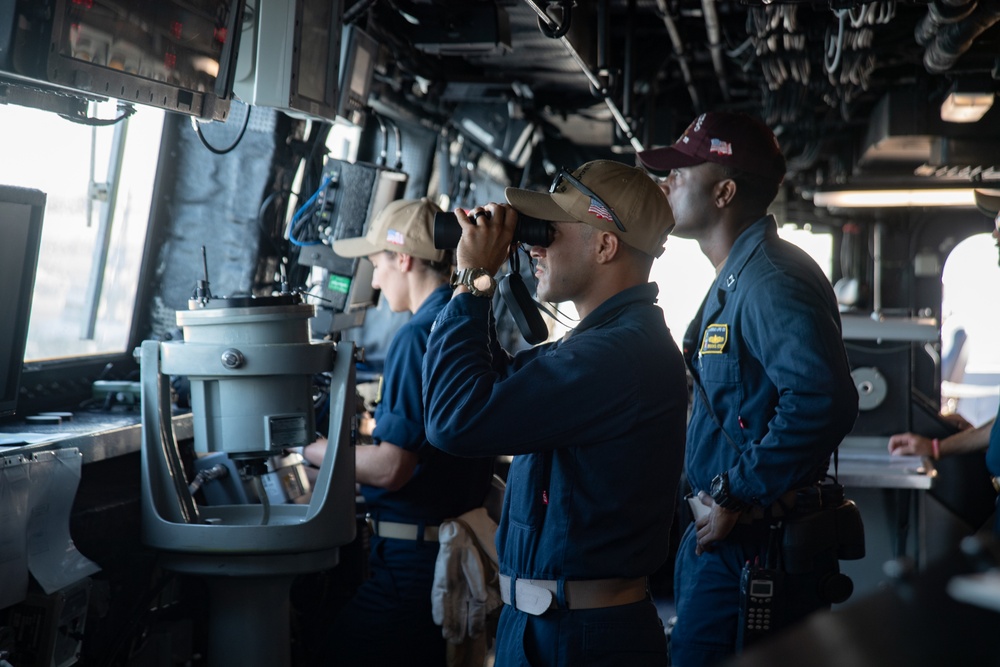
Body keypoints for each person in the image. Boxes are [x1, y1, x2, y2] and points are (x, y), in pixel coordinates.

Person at [421, 159, 688, 666]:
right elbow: (495, 389)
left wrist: (474, 277)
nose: (533, 246)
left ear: (605, 246)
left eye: (549, 231)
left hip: (580, 638)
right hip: (554, 627)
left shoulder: (619, 356)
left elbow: (454, 419)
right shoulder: (602, 345)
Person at [637, 112, 859, 666]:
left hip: (753, 549)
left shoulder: (770, 281)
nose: (668, 182)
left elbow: (821, 400)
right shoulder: (737, 278)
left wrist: (737, 491)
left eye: (683, 171)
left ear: (725, 192)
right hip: (728, 542)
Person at [305, 198, 494, 667]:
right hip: (446, 553)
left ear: (403, 258)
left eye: (376, 264)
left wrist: (312, 450)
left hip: (412, 564)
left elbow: (393, 468)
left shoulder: (416, 336)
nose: (373, 278)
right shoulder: (468, 325)